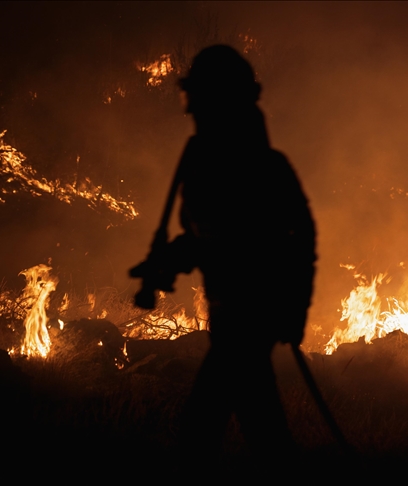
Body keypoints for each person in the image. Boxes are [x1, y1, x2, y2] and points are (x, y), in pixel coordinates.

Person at [133, 45, 316, 460]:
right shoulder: (205, 165)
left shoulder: (263, 168)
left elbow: (297, 242)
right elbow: (208, 239)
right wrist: (169, 261)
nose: (190, 108)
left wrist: (294, 310)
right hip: (230, 313)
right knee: (260, 423)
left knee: (202, 425)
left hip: (251, 315)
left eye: (198, 97)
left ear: (221, 101)